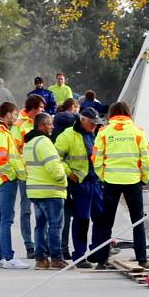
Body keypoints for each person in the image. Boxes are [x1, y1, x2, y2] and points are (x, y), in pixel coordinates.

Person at [91, 101, 149, 269]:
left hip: (111, 181)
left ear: (111, 114)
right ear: (128, 114)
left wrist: (103, 176)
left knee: (106, 222)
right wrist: (144, 177)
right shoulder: (137, 132)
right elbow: (147, 158)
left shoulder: (104, 132)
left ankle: (102, 261)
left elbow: (96, 158)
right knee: (137, 221)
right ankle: (142, 259)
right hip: (133, 181)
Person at [55, 107, 105, 269]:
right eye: (92, 123)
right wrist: (70, 173)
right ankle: (80, 255)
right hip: (80, 184)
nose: (94, 126)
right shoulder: (67, 136)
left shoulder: (94, 134)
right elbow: (57, 158)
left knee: (100, 218)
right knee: (82, 220)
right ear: (82, 120)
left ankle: (96, 252)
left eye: (96, 124)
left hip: (95, 182)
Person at [0, 102, 29, 269]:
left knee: (0, 219)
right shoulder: (0, 133)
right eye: (15, 115)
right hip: (5, 180)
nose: (16, 118)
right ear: (8, 114)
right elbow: (1, 159)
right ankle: (9, 257)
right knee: (6, 220)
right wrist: (11, 175)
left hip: (0, 179)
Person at [23, 112, 68, 270]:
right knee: (55, 226)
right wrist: (63, 180)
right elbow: (53, 167)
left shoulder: (29, 143)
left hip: (35, 192)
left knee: (40, 226)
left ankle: (41, 259)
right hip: (51, 191)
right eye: (50, 124)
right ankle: (56, 258)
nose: (52, 127)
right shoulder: (44, 142)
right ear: (42, 126)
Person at [11, 94, 46, 259]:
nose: (42, 110)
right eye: (40, 107)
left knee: (42, 210)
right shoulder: (19, 125)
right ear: (32, 107)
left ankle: (42, 244)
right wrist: (21, 171)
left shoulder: (42, 122)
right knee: (26, 211)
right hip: (26, 173)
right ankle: (29, 246)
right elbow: (16, 151)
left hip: (41, 173)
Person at [52, 97, 80, 259]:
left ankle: (60, 248)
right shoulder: (70, 125)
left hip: (60, 175)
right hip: (72, 176)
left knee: (60, 215)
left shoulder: (57, 122)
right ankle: (65, 249)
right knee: (72, 214)